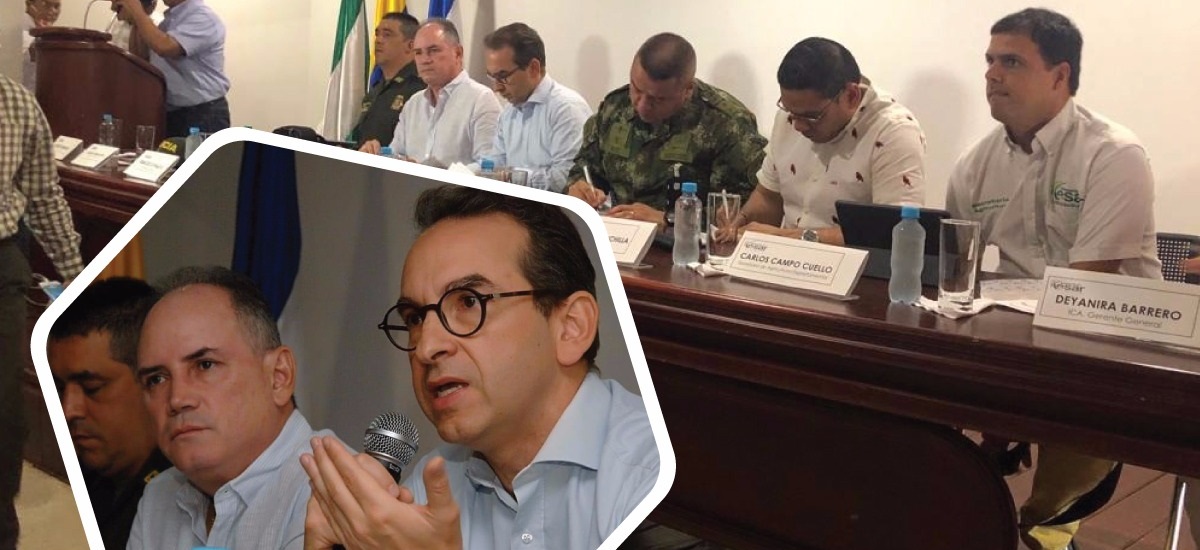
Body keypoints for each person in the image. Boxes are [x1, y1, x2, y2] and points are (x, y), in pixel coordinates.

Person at [301, 185, 659, 549]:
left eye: (469, 302)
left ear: (571, 327)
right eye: (415, 318)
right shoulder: (435, 483)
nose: (426, 347)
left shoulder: (654, 479)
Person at [946, 8, 1160, 550]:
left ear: (1060, 76)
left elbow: (1086, 288)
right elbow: (957, 272)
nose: (992, 74)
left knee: (1069, 381)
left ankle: (1044, 528)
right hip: (1018, 339)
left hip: (1111, 346)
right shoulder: (973, 165)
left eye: (1012, 62)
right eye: (989, 60)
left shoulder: (1113, 154)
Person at [127, 266, 337, 550]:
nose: (177, 399)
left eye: (205, 365)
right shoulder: (159, 498)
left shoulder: (338, 495)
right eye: (156, 379)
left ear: (279, 376)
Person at [729, 37, 925, 245]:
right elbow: (769, 197)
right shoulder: (791, 116)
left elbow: (894, 232)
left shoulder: (893, 132)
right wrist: (739, 224)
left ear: (851, 96)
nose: (798, 126)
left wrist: (789, 238)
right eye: (790, 111)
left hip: (857, 264)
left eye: (812, 116)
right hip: (785, 258)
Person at [0, 72, 83, 550]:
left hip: (0, 266)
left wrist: (76, 276)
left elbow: (44, 197)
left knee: (3, 412)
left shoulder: (15, 102)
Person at [566, 33, 766, 229]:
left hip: (687, 244)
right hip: (621, 236)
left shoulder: (726, 123)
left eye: (658, 99)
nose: (642, 105)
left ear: (687, 90)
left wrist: (670, 219)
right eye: (636, 89)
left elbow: (739, 215)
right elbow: (585, 169)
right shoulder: (615, 107)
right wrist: (579, 188)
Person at [47, 277, 170, 550]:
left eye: (92, 388)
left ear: (153, 381)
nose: (69, 410)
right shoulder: (81, 475)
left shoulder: (191, 509)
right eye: (60, 388)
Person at [360, 19, 500, 168]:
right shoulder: (413, 104)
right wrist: (377, 154)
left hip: (453, 184)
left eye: (433, 50)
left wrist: (438, 174)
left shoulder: (481, 99)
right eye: (418, 53)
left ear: (458, 53)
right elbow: (396, 154)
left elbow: (489, 166)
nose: (424, 60)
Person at [483, 23, 591, 192]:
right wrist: (469, 172)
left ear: (533, 68)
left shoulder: (566, 109)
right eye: (492, 77)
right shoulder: (508, 113)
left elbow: (566, 179)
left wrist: (512, 176)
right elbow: (496, 163)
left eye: (503, 76)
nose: (497, 88)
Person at [111, 0, 231, 137]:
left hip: (202, 114)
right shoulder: (170, 20)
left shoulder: (203, 17)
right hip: (173, 112)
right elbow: (142, 57)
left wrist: (136, 10)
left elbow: (165, 47)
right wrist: (137, 17)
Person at [350, 11, 425, 147]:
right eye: (377, 34)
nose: (378, 40)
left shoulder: (420, 89)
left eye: (387, 35)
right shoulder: (375, 90)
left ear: (410, 46)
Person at [22, 0, 62, 90]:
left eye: (56, 7)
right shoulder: (21, 31)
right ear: (29, 4)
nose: (53, 11)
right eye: (46, 5)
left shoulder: (43, 31)